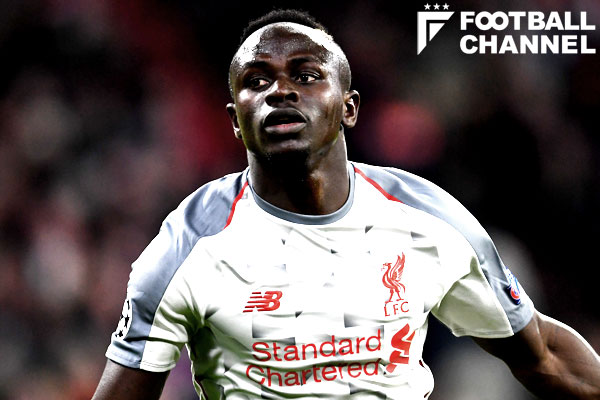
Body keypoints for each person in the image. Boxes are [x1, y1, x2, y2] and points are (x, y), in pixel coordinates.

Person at [92, 9, 600, 400]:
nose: (280, 91)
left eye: (306, 75)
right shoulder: (188, 245)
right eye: (257, 81)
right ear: (235, 120)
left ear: (350, 107)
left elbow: (545, 356)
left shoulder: (427, 219)